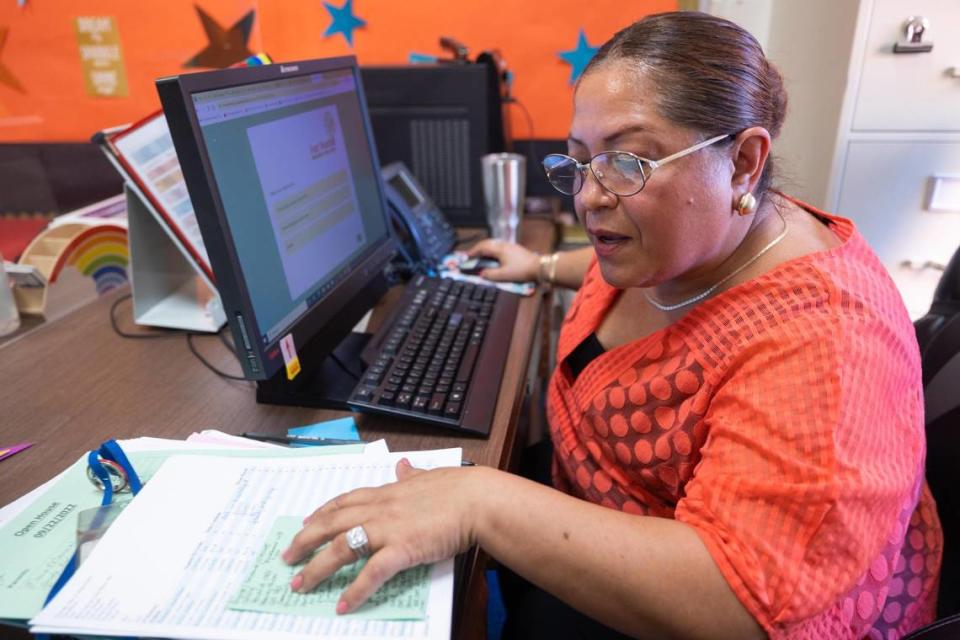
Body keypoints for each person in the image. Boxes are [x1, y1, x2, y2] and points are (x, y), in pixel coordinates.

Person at [282, 11, 942, 639]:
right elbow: (618, 268)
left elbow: (739, 606)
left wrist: (479, 502)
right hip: (591, 505)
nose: (591, 196)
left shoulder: (826, 349)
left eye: (628, 162)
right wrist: (540, 264)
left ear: (742, 162)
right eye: (579, 161)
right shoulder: (700, 236)